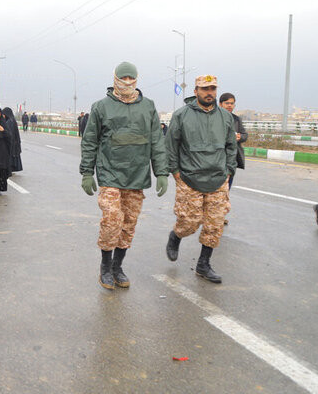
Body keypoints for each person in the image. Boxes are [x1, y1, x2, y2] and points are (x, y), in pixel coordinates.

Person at [79, 62, 168, 290]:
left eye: (131, 77)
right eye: (123, 77)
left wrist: (161, 172)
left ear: (137, 79)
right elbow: (90, 142)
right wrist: (87, 172)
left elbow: (157, 141)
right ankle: (105, 267)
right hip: (110, 173)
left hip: (137, 175)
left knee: (128, 224)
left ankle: (118, 266)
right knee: (112, 220)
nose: (127, 81)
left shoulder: (148, 107)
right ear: (115, 78)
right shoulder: (101, 107)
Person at [165, 75, 237, 283]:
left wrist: (229, 169)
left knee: (214, 225)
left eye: (213, 89)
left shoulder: (225, 117)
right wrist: (175, 172)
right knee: (189, 221)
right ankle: (176, 236)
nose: (210, 93)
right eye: (205, 89)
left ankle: (203, 265)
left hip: (217, 179)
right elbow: (171, 145)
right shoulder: (181, 115)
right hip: (189, 178)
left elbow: (231, 146)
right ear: (196, 91)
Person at [219, 93, 247, 192]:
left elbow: (245, 135)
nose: (230, 106)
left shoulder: (236, 119)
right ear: (220, 104)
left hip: (231, 159)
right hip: (217, 159)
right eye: (227, 103)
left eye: (232, 103)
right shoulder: (215, 118)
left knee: (226, 190)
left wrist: (240, 137)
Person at [2, 107, 23, 173]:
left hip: (12, 143)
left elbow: (8, 132)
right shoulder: (12, 120)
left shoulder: (10, 122)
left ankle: (9, 169)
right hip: (14, 142)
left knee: (10, 156)